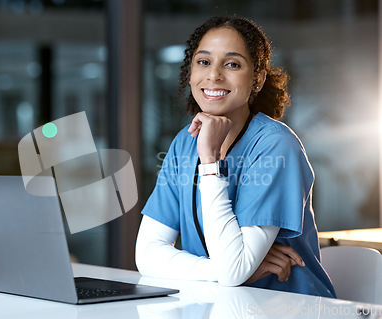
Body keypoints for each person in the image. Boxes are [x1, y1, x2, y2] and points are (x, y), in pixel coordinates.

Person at [135, 16, 336, 298]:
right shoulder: (184, 143)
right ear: (190, 72)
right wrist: (222, 272)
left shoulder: (275, 145)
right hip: (221, 304)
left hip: (289, 308)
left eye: (232, 64)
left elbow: (233, 271)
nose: (214, 75)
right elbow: (147, 255)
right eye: (203, 62)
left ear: (258, 79)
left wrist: (209, 163)